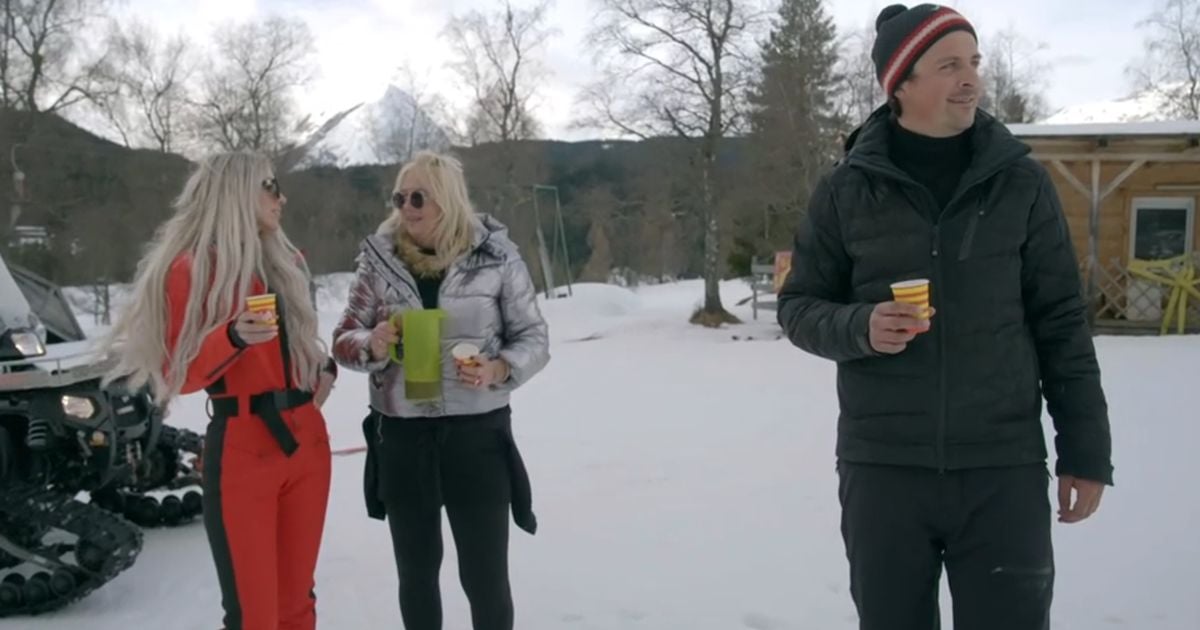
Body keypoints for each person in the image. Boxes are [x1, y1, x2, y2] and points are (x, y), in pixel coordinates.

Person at [777, 5, 1114, 630]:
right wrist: (860, 327)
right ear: (901, 82)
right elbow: (797, 306)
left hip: (1001, 467)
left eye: (975, 63)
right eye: (949, 65)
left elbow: (1061, 322)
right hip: (884, 469)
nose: (971, 80)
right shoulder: (847, 190)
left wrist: (1086, 450)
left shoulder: (1022, 184)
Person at [102, 151, 337, 630]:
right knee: (255, 614)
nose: (281, 197)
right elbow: (176, 374)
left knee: (298, 603)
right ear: (238, 191)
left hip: (308, 442)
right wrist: (230, 336)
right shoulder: (191, 269)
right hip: (245, 449)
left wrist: (322, 368)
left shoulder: (283, 261)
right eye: (270, 186)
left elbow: (299, 349)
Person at [331, 150, 549, 630]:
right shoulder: (378, 261)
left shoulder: (496, 257)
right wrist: (374, 342)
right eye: (399, 197)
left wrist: (498, 368)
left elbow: (534, 337)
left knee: (485, 577)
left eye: (417, 197)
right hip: (403, 437)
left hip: (477, 435)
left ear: (447, 201)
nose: (406, 207)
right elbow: (343, 341)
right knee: (416, 574)